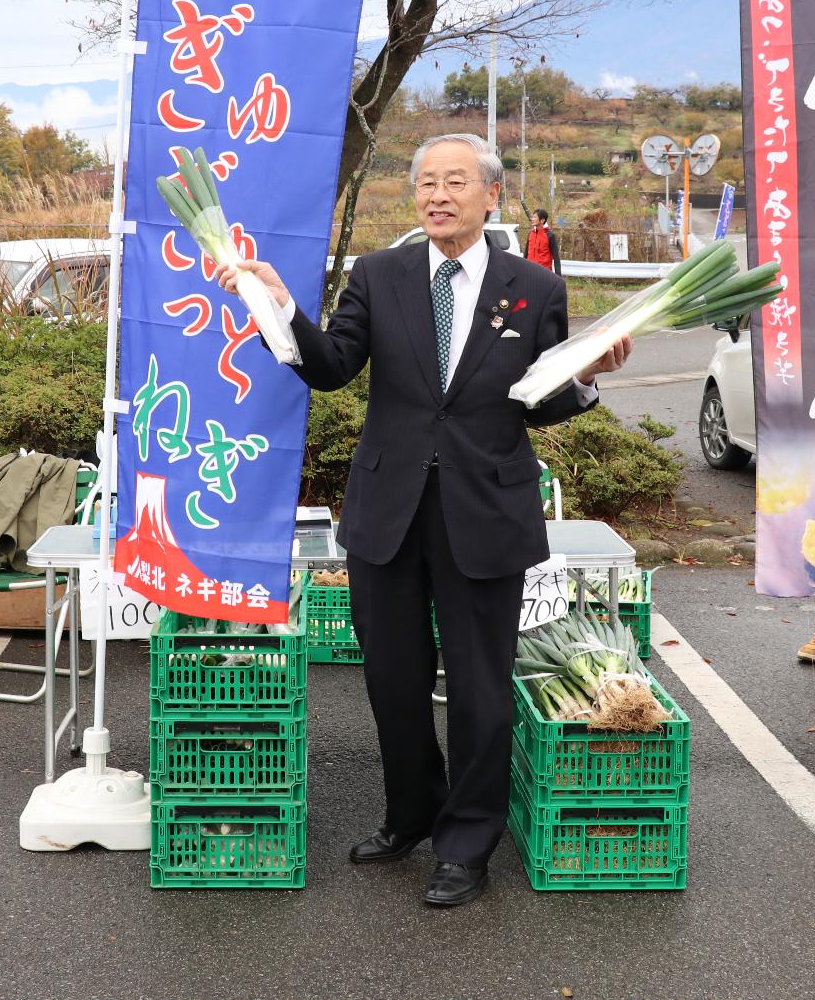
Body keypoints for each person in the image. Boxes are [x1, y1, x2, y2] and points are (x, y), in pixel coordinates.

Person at [219, 133, 630, 908]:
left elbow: (542, 400)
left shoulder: (533, 287)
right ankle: (409, 813)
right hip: (389, 510)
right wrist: (275, 303)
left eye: (454, 182)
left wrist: (589, 376)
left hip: (485, 511)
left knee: (480, 689)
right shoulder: (381, 275)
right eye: (425, 184)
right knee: (393, 680)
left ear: (491, 195)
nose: (436, 195)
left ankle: (467, 842)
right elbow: (332, 367)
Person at [524, 209, 560, 274]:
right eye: (532, 217)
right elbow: (526, 254)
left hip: (544, 273)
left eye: (535, 217)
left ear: (542, 220)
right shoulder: (530, 233)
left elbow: (556, 257)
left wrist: (558, 275)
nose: (532, 219)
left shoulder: (550, 235)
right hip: (529, 271)